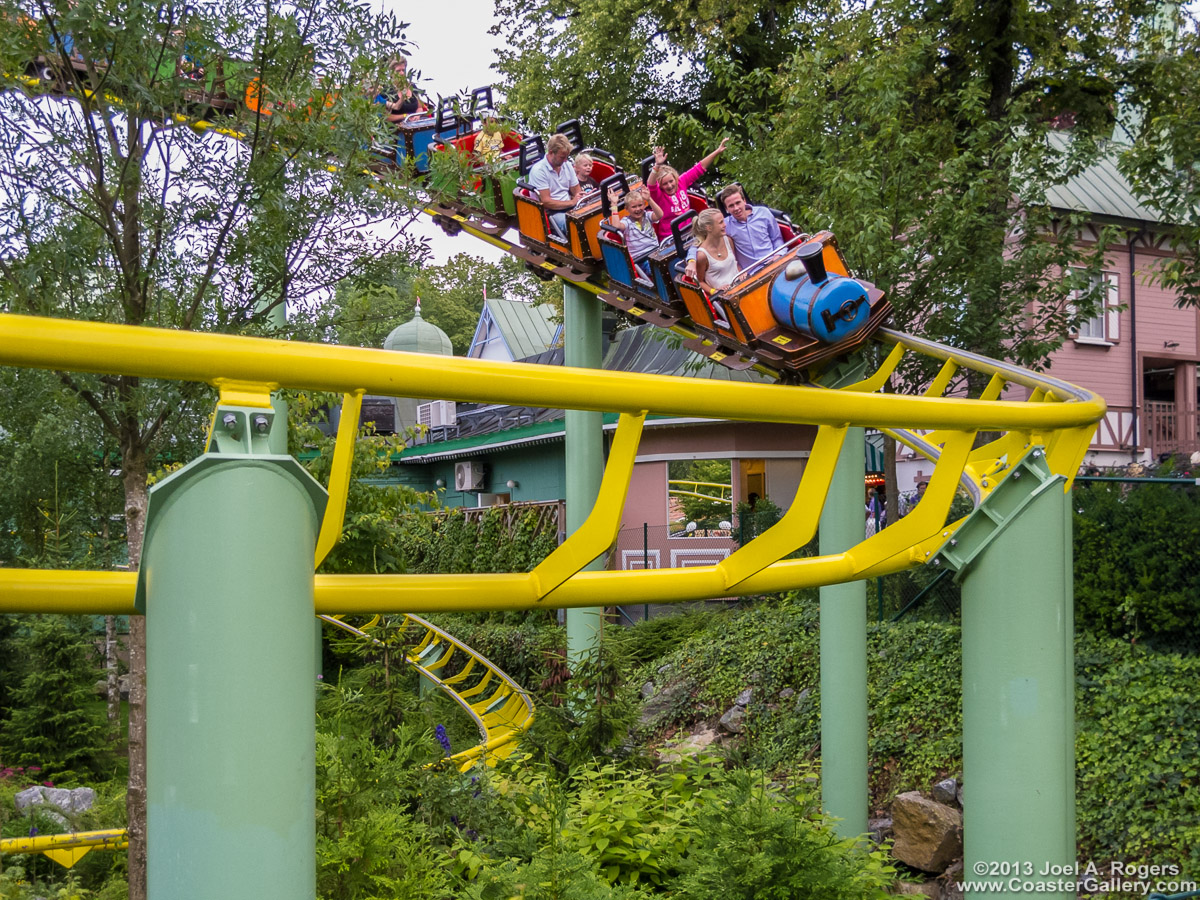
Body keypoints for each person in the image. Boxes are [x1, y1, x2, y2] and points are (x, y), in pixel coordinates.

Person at [684, 182, 786, 278]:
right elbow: (698, 243)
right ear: (727, 209)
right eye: (731, 206)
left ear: (744, 201)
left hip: (774, 261)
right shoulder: (725, 225)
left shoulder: (764, 213)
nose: (736, 208)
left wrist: (778, 255)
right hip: (752, 273)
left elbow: (777, 238)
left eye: (738, 203)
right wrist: (692, 261)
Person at [646, 138, 728, 239]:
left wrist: (718, 151)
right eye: (665, 184)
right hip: (671, 237)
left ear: (675, 179)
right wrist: (657, 166)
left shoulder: (681, 182)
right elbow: (650, 184)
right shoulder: (658, 195)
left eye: (671, 181)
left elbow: (699, 167)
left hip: (691, 231)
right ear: (661, 186)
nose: (670, 186)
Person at [528, 133, 581, 238]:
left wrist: (580, 199)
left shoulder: (566, 165)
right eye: (562, 157)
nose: (565, 160)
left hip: (570, 207)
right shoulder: (539, 171)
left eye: (567, 157)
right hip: (552, 214)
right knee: (578, 226)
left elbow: (576, 189)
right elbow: (546, 202)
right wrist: (571, 202)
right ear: (551, 152)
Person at [690, 209, 736, 327]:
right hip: (722, 297)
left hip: (738, 286)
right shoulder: (702, 255)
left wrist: (742, 274)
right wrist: (714, 291)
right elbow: (700, 281)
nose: (724, 225)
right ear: (709, 228)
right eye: (720, 222)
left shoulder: (728, 240)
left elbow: (736, 264)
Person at [606, 185, 663, 279]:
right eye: (634, 207)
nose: (638, 209)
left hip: (656, 253)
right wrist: (614, 205)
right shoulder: (627, 222)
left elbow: (660, 215)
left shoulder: (647, 216)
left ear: (644, 205)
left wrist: (649, 199)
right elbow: (616, 226)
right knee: (658, 269)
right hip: (641, 259)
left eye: (640, 205)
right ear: (627, 209)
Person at [382, 55, 423, 123]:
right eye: (398, 71)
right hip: (397, 129)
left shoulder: (411, 86)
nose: (402, 73)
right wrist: (404, 116)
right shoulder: (387, 91)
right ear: (391, 73)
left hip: (415, 125)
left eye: (403, 70)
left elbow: (419, 107)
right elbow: (384, 116)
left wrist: (417, 116)